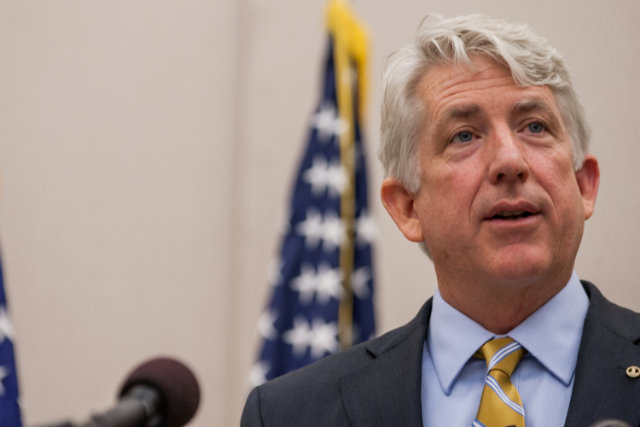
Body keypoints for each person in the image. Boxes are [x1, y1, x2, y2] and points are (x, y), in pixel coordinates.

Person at [241, 14, 640, 427]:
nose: (510, 161)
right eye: (464, 135)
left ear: (584, 185)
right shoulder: (288, 414)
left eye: (534, 127)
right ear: (408, 208)